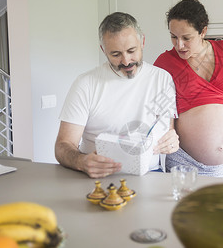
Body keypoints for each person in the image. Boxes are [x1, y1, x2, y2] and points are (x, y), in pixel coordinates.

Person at [55, 12, 179, 178]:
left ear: (142, 41)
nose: (126, 61)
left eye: (131, 50)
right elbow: (63, 145)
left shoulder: (163, 79)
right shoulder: (86, 84)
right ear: (103, 50)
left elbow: (167, 130)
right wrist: (81, 162)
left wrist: (171, 141)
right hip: (99, 178)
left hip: (151, 174)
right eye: (115, 54)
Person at [154, 0, 223, 179]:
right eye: (174, 37)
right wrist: (170, 129)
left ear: (203, 31)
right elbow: (159, 104)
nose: (179, 45)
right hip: (185, 164)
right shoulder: (165, 63)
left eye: (186, 38)